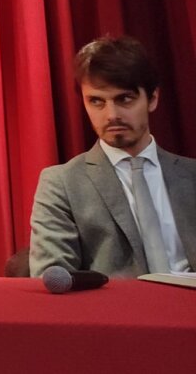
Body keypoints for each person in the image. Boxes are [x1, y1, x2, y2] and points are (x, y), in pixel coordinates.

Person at [29, 36, 196, 276]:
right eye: (96, 101)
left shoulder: (191, 175)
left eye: (124, 99)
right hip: (115, 301)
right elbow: (53, 277)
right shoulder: (62, 184)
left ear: (152, 99)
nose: (111, 115)